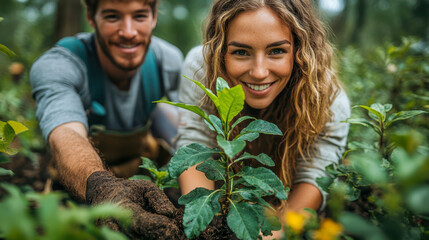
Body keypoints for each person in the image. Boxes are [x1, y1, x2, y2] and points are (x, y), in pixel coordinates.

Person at [176, 0, 350, 238]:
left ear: (299, 50)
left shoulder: (329, 99)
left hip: (279, 209)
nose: (259, 72)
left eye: (276, 51)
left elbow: (314, 178)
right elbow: (193, 142)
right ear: (220, 51)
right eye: (241, 52)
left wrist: (266, 237)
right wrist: (207, 228)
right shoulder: (202, 68)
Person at [30, 0, 185, 238]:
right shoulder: (61, 64)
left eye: (140, 16)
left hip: (139, 169)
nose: (129, 32)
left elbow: (191, 128)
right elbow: (65, 133)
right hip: (79, 185)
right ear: (91, 18)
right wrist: (103, 189)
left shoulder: (168, 61)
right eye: (113, 16)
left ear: (154, 17)